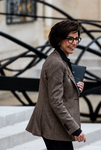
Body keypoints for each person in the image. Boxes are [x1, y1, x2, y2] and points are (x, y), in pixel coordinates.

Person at [26, 19, 86, 150]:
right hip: (53, 126)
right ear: (59, 39)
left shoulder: (61, 59)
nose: (74, 43)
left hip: (56, 125)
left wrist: (75, 88)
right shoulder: (57, 63)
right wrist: (75, 129)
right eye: (70, 39)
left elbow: (59, 91)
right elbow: (56, 101)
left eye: (77, 39)